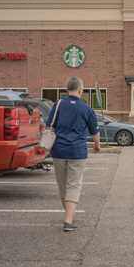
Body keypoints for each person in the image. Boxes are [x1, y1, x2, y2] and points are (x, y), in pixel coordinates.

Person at [46, 76, 100, 232]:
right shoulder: (86, 109)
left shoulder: (58, 105)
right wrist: (97, 146)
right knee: (73, 185)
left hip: (58, 151)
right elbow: (95, 132)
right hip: (77, 152)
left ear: (67, 89)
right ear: (81, 90)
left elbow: (49, 126)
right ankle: (68, 220)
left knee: (63, 186)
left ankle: (68, 215)